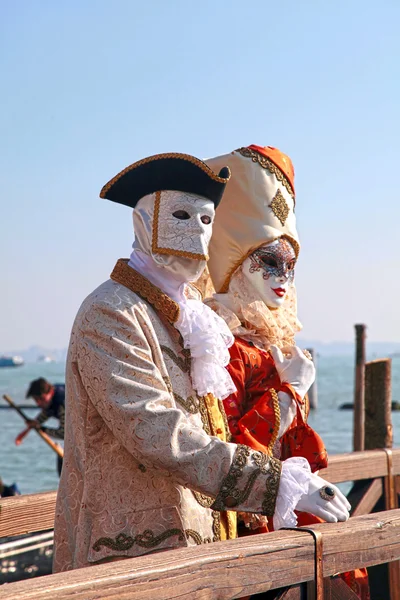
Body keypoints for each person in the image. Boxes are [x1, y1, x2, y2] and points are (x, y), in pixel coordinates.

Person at [53, 151, 349, 574]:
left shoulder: (195, 316)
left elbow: (218, 427)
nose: (196, 231)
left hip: (201, 552)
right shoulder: (112, 311)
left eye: (208, 220)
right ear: (142, 224)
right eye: (180, 215)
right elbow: (154, 431)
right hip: (126, 555)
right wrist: (278, 482)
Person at [204, 144, 368, 599]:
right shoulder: (217, 345)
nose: (282, 278)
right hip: (244, 533)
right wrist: (292, 391)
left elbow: (295, 452)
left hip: (288, 522)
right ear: (234, 265)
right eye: (269, 262)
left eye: (290, 266)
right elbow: (229, 450)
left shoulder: (271, 344)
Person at [15, 378, 65, 475]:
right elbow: (46, 413)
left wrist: (42, 429)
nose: (38, 403)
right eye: (36, 400)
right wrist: (27, 431)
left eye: (41, 399)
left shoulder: (62, 403)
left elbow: (63, 434)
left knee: (64, 464)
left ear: (50, 392)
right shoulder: (53, 396)